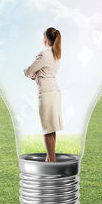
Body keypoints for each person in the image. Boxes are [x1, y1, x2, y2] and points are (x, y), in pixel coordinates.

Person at [23, 27, 63, 162]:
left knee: (47, 129)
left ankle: (52, 162)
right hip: (55, 93)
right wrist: (37, 74)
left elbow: (28, 71)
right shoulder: (56, 55)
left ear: (45, 38)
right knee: (52, 128)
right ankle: (49, 159)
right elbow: (45, 71)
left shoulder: (44, 54)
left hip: (46, 93)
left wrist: (31, 74)